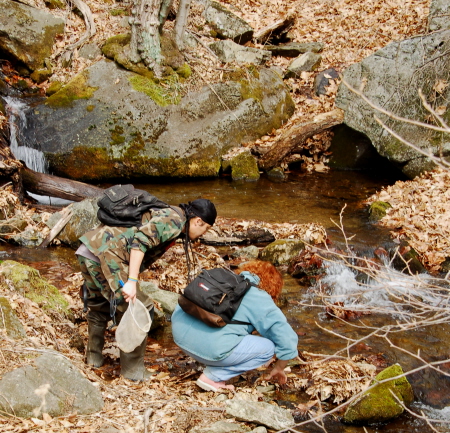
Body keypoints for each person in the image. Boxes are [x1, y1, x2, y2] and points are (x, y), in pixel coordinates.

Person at [76, 197, 217, 381]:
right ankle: (133, 371)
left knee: (99, 304)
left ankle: (93, 358)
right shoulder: (174, 220)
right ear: (198, 220)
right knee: (140, 306)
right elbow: (140, 242)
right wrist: (132, 281)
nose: (203, 233)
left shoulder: (169, 213)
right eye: (205, 228)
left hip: (88, 249)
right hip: (106, 256)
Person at [171, 260, 299, 391]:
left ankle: (208, 358)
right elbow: (287, 340)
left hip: (179, 335)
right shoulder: (258, 296)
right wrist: (280, 367)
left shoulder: (223, 280)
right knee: (268, 349)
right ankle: (212, 378)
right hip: (209, 349)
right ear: (273, 288)